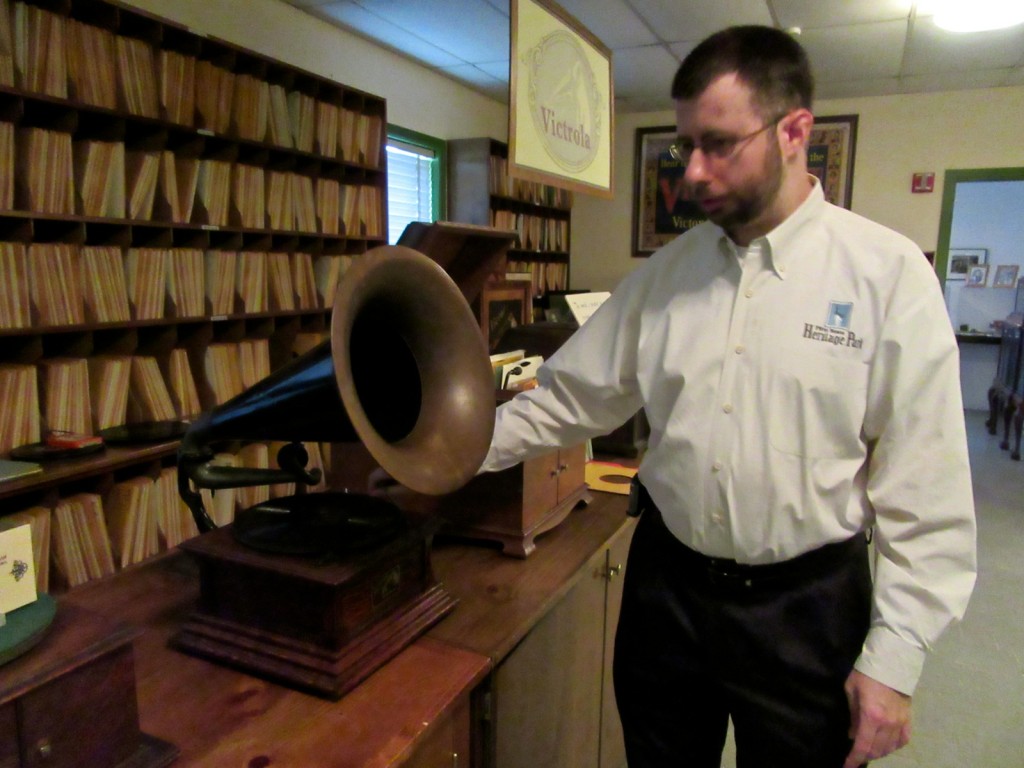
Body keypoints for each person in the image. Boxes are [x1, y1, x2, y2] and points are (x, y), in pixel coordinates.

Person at [478, 25, 976, 768]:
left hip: (807, 609)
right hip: (667, 593)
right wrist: (451, 453)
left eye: (719, 144)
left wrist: (894, 661)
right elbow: (568, 399)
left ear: (795, 130)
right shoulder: (664, 276)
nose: (695, 172)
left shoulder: (887, 276)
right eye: (686, 148)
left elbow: (925, 487)